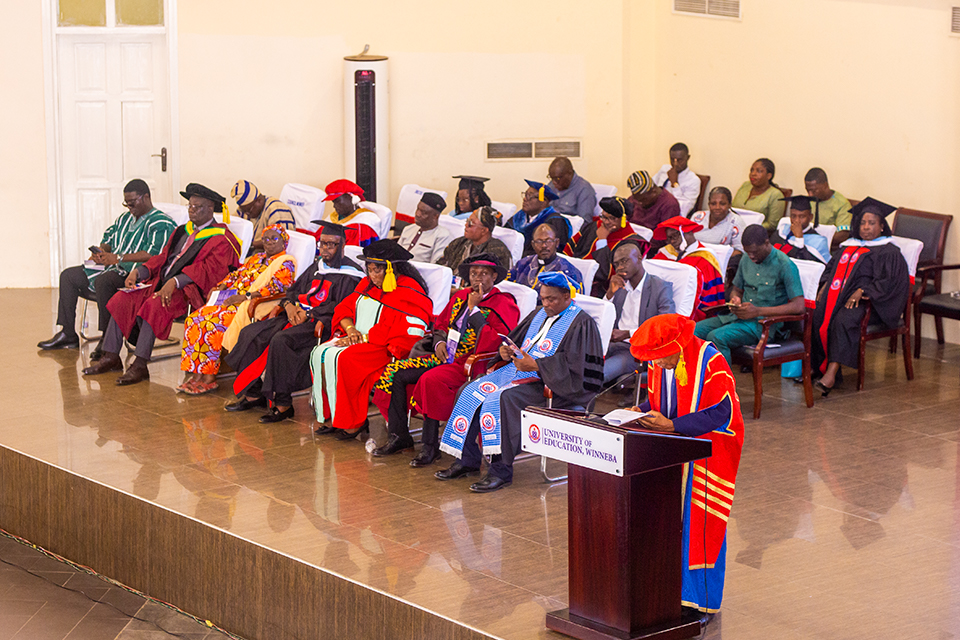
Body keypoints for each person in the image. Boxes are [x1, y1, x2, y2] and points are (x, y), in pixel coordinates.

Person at [436, 271, 604, 492]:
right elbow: (515, 342)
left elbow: (580, 369)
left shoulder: (582, 323)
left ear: (566, 296)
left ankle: (500, 471)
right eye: (542, 298)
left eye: (551, 299)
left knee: (503, 399)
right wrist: (505, 352)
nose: (546, 304)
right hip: (517, 375)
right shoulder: (538, 314)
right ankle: (467, 461)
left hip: (552, 388)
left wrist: (537, 366)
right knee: (468, 390)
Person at [627, 313, 744, 615]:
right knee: (671, 525)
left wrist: (673, 426)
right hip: (674, 449)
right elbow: (662, 403)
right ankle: (671, 591)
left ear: (677, 344)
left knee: (701, 526)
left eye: (661, 357)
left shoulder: (710, 361)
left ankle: (701, 604)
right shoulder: (660, 362)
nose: (657, 363)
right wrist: (636, 412)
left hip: (708, 452)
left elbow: (720, 413)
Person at [81, 183, 241, 385]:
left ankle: (140, 364)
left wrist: (175, 281)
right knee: (121, 298)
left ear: (210, 209)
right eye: (190, 206)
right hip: (159, 282)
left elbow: (209, 270)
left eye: (197, 207)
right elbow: (163, 257)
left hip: (188, 290)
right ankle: (111, 355)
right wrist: (140, 271)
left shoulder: (221, 239)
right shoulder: (182, 231)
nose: (191, 210)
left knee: (154, 305)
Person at [371, 254, 520, 464]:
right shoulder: (460, 296)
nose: (478, 278)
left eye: (484, 274)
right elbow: (440, 324)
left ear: (494, 276)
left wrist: (474, 309)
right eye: (473, 273)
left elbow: (497, 342)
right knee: (396, 373)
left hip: (473, 364)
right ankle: (399, 437)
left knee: (431, 380)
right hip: (444, 356)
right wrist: (439, 343)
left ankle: (430, 447)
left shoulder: (503, 303)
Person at [224, 222, 364, 423]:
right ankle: (253, 394)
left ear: (342, 246)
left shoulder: (351, 274)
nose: (324, 249)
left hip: (321, 324)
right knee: (250, 332)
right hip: (294, 316)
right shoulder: (318, 265)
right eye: (322, 244)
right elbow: (293, 291)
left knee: (281, 341)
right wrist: (289, 306)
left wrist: (309, 314)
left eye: (330, 245)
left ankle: (283, 405)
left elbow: (341, 306)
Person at [38, 179, 176, 358]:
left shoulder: (161, 222)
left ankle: (107, 339)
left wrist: (118, 258)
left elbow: (155, 254)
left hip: (135, 273)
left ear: (146, 197)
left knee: (105, 281)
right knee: (69, 276)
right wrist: (102, 252)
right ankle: (68, 334)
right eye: (126, 203)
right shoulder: (124, 218)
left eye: (133, 203)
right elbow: (109, 238)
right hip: (111, 266)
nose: (129, 207)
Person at [310, 240, 433, 440]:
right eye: (369, 269)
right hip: (358, 339)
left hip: (385, 349)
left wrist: (362, 338)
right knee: (320, 354)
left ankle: (353, 423)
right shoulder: (367, 284)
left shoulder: (409, 290)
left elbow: (403, 331)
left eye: (377, 270)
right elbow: (344, 308)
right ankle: (333, 416)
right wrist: (350, 331)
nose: (372, 275)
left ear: (391, 270)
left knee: (345, 360)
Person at [177, 225, 296, 395]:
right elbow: (235, 275)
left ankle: (209, 377)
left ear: (283, 241)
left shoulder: (285, 262)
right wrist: (222, 285)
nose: (269, 242)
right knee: (194, 319)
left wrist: (246, 296)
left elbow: (278, 287)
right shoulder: (256, 258)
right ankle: (197, 375)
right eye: (265, 239)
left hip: (250, 305)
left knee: (211, 323)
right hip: (231, 298)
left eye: (274, 238)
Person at [812, 197, 910, 396]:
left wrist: (864, 291)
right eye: (863, 223)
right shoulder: (849, 246)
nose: (866, 228)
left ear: (882, 226)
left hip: (870, 304)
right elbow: (831, 269)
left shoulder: (889, 251)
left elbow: (890, 282)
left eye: (872, 223)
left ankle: (831, 373)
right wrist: (823, 286)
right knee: (818, 316)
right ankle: (818, 367)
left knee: (843, 320)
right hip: (838, 296)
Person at [694, 225, 805, 365]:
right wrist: (736, 299)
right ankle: (700, 381)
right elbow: (737, 289)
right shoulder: (746, 258)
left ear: (766, 243)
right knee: (694, 331)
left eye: (755, 252)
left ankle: (724, 385)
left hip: (763, 325)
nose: (751, 256)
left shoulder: (784, 264)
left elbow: (799, 306)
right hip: (736, 317)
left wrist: (758, 311)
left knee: (717, 337)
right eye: (748, 252)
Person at [602, 240, 675, 383]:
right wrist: (610, 294)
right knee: (579, 364)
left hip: (636, 350)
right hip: (610, 344)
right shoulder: (619, 286)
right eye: (616, 264)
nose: (620, 267)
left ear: (640, 258)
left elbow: (665, 326)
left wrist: (627, 333)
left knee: (598, 375)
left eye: (624, 261)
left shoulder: (660, 287)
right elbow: (601, 316)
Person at [565, 196, 646, 296]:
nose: (606, 222)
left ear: (623, 219)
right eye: (603, 216)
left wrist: (602, 240)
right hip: (572, 278)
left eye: (612, 218)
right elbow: (570, 248)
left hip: (601, 290)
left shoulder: (629, 243)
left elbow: (603, 274)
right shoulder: (594, 226)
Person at [652, 216, 725, 319]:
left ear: (689, 232)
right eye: (669, 238)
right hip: (662, 303)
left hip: (690, 309)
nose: (672, 242)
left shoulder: (705, 259)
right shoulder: (665, 253)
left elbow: (706, 296)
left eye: (675, 236)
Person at [509, 223, 583, 299]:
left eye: (549, 241)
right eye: (539, 241)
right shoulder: (522, 264)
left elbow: (575, 303)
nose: (544, 245)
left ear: (556, 243)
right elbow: (506, 287)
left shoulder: (569, 272)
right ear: (533, 244)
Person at [439, 206, 513, 275]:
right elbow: (440, 266)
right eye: (467, 221)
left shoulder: (499, 252)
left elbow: (499, 281)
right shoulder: (458, 243)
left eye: (471, 223)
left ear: (484, 230)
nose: (466, 225)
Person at [505, 179, 570, 254]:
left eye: (530, 196)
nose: (525, 199)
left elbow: (555, 251)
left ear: (543, 202)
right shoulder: (519, 217)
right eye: (525, 195)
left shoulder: (555, 221)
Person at [230, 180, 296, 251]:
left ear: (259, 201)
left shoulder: (277, 209)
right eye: (244, 211)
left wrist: (250, 244)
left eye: (249, 210)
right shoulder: (244, 209)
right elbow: (233, 226)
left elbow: (280, 241)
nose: (247, 214)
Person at [318, 179, 381, 246]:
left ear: (352, 199)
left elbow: (353, 250)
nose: (334, 206)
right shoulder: (333, 218)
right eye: (333, 202)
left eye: (338, 201)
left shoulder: (363, 222)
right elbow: (317, 239)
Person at [770, 195, 831, 264]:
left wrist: (799, 239)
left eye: (802, 217)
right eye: (793, 216)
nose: (797, 221)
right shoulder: (782, 230)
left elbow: (814, 267)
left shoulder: (818, 242)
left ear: (810, 217)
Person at [396, 192, 454, 263]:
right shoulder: (408, 229)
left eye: (423, 213)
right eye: (418, 209)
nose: (418, 214)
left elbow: (436, 265)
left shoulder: (442, 236)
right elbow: (395, 254)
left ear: (435, 216)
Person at [804, 167, 853, 249]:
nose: (810, 195)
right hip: (805, 243)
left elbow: (843, 235)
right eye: (807, 190)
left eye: (814, 190)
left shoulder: (841, 204)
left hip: (826, 248)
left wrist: (815, 240)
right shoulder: (810, 200)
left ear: (825, 185)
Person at [732, 158, 785, 232]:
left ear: (769, 176)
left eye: (759, 171)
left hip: (755, 234)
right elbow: (732, 208)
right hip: (734, 229)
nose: (753, 174)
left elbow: (772, 225)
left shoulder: (775, 195)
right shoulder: (745, 186)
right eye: (751, 170)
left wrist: (748, 228)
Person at [651, 143, 700, 217]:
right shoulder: (665, 169)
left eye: (680, 160)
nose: (675, 164)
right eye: (672, 159)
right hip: (652, 208)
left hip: (669, 215)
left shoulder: (693, 180)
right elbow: (650, 186)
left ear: (688, 158)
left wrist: (674, 184)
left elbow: (683, 211)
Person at [548, 157, 597, 224]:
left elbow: (584, 222)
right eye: (551, 178)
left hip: (567, 229)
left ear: (569, 174)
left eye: (557, 178)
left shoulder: (584, 189)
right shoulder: (553, 184)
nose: (554, 182)